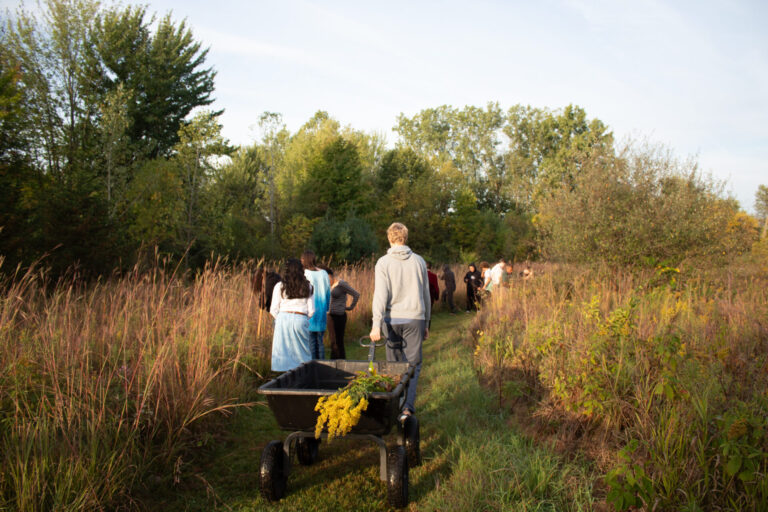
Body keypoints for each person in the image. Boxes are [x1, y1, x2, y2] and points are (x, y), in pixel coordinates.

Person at [370, 222, 430, 420]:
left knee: (394, 365)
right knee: (413, 364)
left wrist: (376, 324)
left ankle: (396, 404)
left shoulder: (383, 263)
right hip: (415, 317)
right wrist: (427, 322)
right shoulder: (419, 261)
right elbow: (425, 294)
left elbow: (380, 295)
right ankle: (407, 408)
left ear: (389, 238)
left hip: (392, 318)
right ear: (405, 238)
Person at [269, 259, 315, 372]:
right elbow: (312, 310)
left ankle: (285, 377)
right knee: (302, 352)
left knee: (283, 351)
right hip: (300, 317)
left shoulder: (280, 286)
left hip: (282, 318)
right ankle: (304, 375)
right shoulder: (308, 286)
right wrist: (303, 318)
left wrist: (280, 318)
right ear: (301, 270)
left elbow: (273, 309)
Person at [301, 250, 331, 360]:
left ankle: (314, 366)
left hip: (309, 311)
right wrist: (327, 308)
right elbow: (328, 292)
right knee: (320, 342)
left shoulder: (305, 274)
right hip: (322, 310)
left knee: (311, 343)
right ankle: (322, 364)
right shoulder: (323, 273)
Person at [326, 267, 360, 359]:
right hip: (329, 316)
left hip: (339, 316)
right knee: (333, 341)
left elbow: (356, 294)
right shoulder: (327, 285)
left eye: (327, 278)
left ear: (331, 276)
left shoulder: (341, 284)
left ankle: (340, 361)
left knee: (338, 341)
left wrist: (350, 307)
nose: (326, 280)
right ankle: (334, 362)